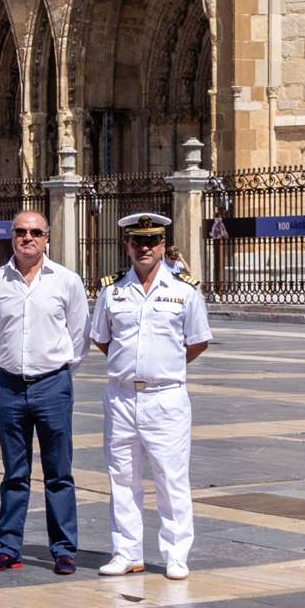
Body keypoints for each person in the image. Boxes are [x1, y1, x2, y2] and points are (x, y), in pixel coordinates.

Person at [90, 212, 211, 581]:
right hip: (122, 396)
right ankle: (126, 552)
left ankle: (175, 553)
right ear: (126, 245)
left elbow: (197, 341)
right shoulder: (112, 291)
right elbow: (101, 338)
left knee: (170, 478)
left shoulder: (183, 291)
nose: (144, 247)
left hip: (166, 397)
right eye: (137, 241)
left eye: (152, 241)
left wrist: (163, 367)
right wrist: (131, 367)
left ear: (162, 246)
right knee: (121, 477)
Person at [0, 210, 89, 576]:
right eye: (21, 232)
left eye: (35, 232)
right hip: (8, 384)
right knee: (14, 471)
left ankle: (64, 549)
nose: (28, 238)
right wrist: (8, 364)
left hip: (52, 385)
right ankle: (9, 546)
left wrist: (55, 368)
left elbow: (78, 335)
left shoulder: (66, 281)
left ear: (47, 237)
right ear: (12, 236)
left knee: (59, 471)